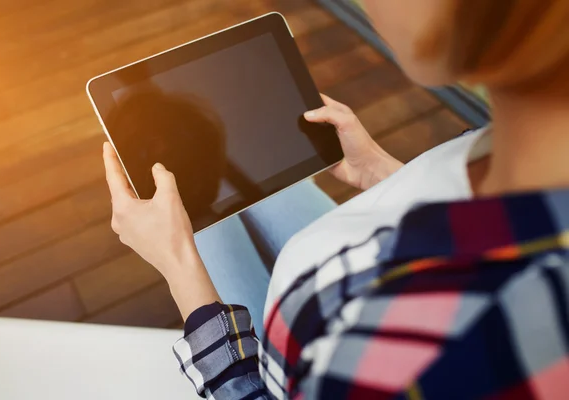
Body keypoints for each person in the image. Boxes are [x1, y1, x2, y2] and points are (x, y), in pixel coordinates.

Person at [102, 0, 569, 398]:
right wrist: (385, 175)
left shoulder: (424, 354)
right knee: (252, 192)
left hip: (295, 337)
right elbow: (480, 216)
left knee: (203, 216)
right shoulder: (526, 149)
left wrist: (178, 262)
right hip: (348, 265)